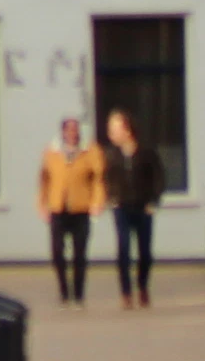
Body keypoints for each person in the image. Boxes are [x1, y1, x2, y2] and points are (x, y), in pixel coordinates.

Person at [103, 107, 168, 305]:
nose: (111, 134)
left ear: (127, 130)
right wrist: (111, 197)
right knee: (123, 248)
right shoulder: (111, 155)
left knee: (145, 251)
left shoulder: (146, 152)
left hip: (143, 206)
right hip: (121, 206)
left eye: (115, 129)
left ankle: (142, 286)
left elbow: (159, 177)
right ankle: (126, 293)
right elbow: (106, 178)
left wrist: (154, 201)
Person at [33, 116, 101, 305]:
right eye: (69, 130)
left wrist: (96, 202)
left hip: (81, 208)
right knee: (57, 252)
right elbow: (44, 180)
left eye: (75, 129)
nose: (73, 133)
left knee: (80, 253)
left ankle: (78, 293)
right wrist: (42, 204)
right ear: (62, 132)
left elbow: (98, 178)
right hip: (58, 207)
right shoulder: (52, 152)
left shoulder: (90, 150)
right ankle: (64, 290)